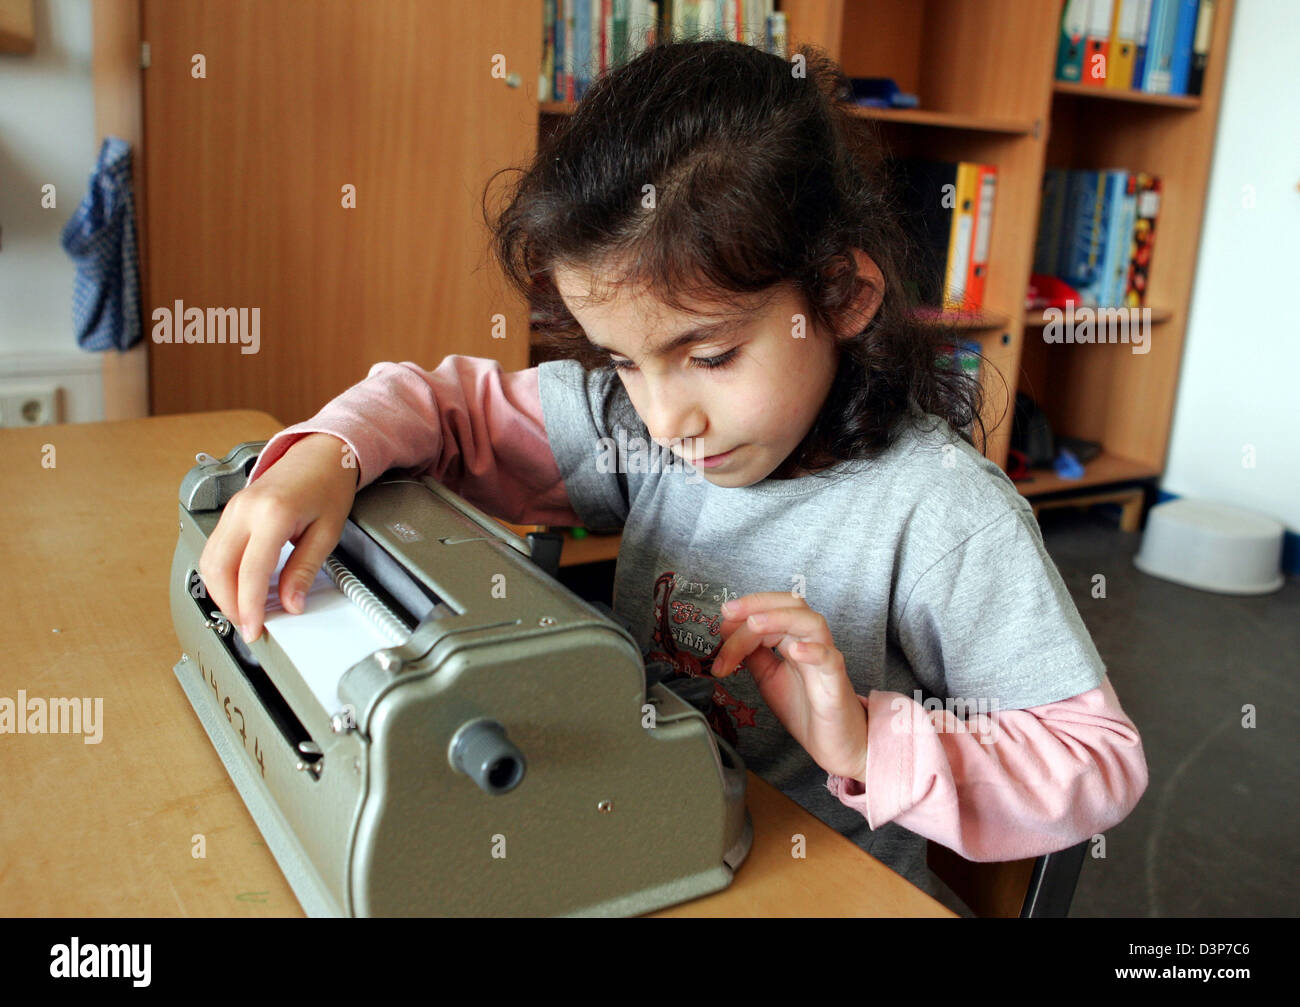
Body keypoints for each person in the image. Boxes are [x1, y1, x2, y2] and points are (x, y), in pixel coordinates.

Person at [199, 39, 1148, 915]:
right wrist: (327, 456)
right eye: (621, 361)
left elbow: (1098, 763)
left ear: (843, 296)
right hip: (640, 848)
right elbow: (445, 410)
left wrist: (863, 736)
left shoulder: (940, 511)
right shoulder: (644, 431)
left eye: (712, 355)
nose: (665, 419)